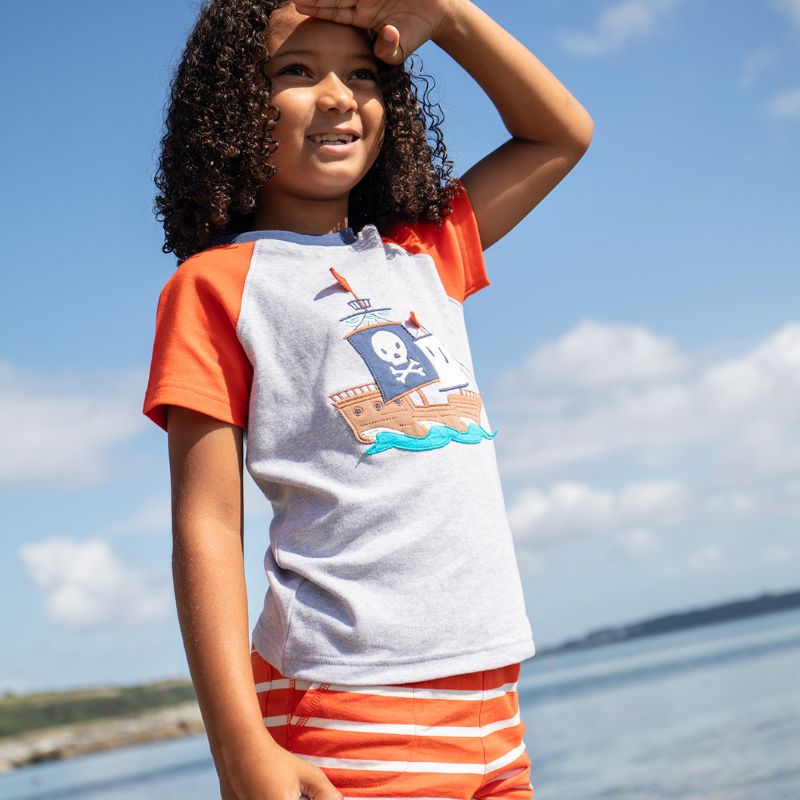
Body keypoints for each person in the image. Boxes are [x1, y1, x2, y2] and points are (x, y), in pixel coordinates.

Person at [142, 1, 593, 798]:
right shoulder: (215, 287)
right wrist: (238, 749)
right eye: (296, 72)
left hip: (494, 704)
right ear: (229, 106)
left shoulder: (425, 251)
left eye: (361, 73)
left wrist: (448, 17)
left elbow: (560, 134)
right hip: (350, 705)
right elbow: (207, 523)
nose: (339, 95)